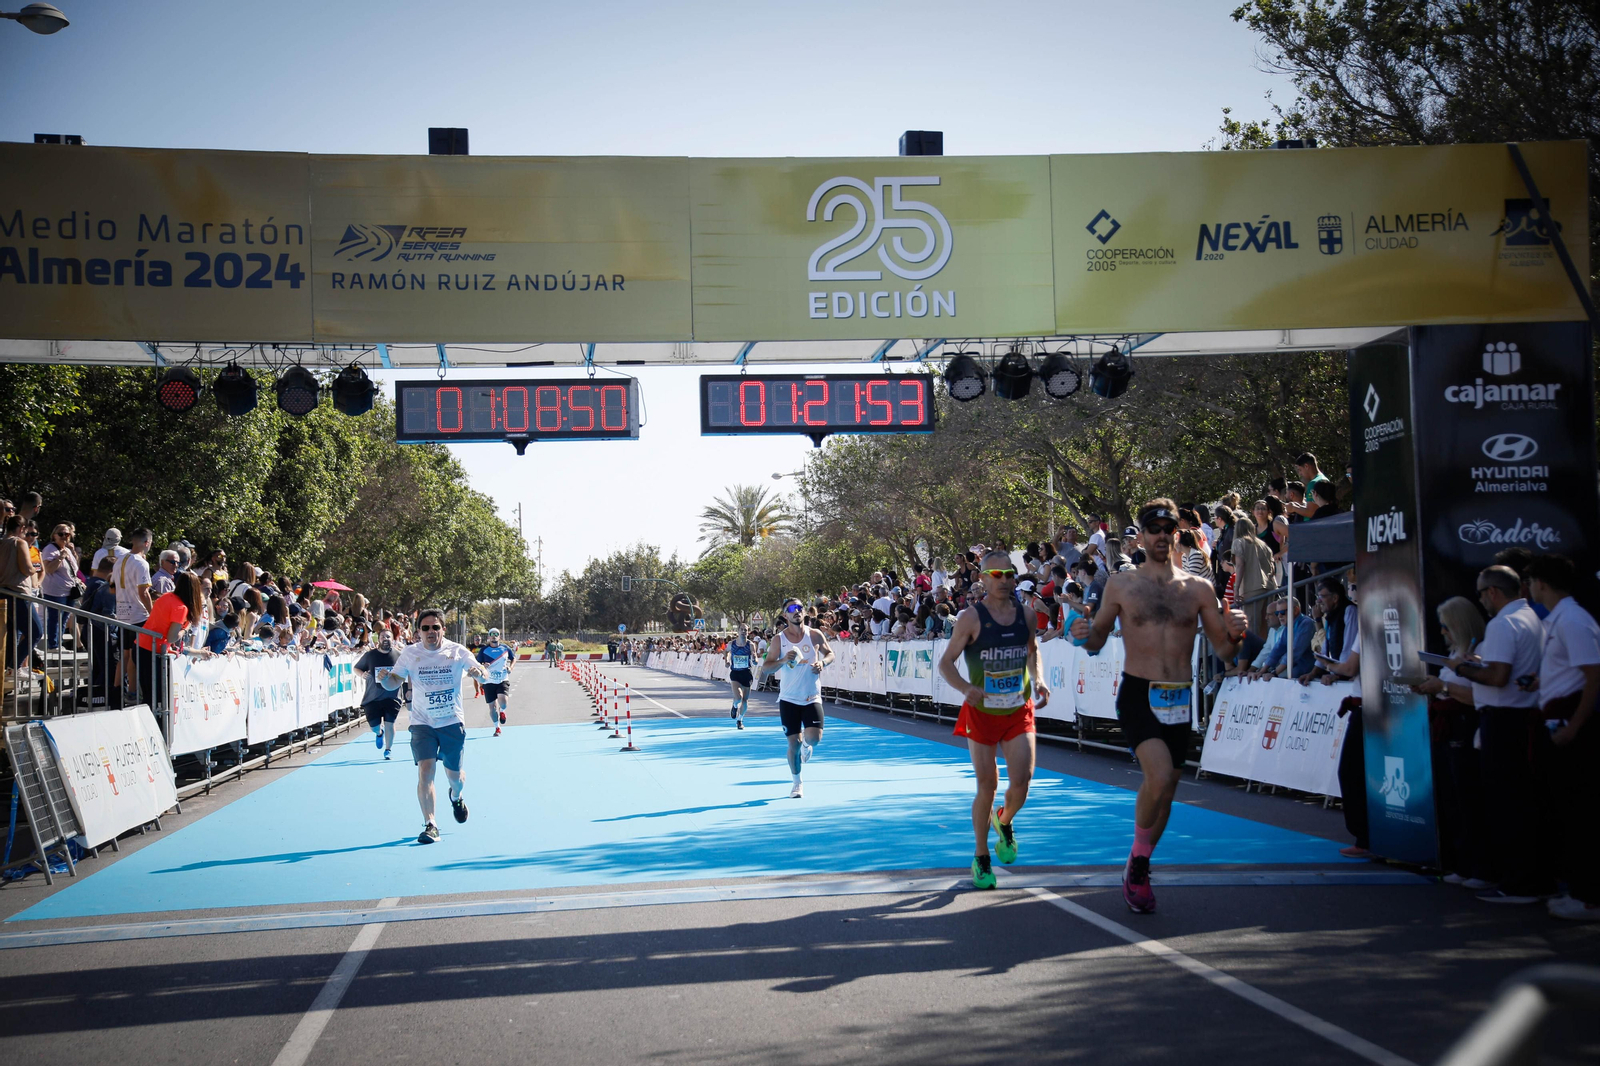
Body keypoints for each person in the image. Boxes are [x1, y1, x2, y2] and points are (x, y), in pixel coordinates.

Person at [1072, 499, 1247, 913]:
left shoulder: (1198, 588)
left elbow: (1223, 651)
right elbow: (1096, 642)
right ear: (1143, 535)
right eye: (1154, 530)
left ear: (1176, 534)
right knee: (1160, 774)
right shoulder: (1122, 585)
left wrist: (1236, 634)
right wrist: (1082, 633)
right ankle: (1137, 860)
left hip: (1179, 697)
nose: (1161, 536)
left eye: (1168, 529)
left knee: (1167, 789)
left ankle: (1141, 863)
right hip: (1138, 693)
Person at [938, 549, 1051, 890]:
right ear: (983, 579)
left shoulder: (1027, 615)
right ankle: (981, 855)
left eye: (1009, 574)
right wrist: (965, 688)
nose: (1004, 581)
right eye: (996, 575)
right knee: (987, 785)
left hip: (1018, 708)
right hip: (983, 713)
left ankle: (1004, 820)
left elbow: (1032, 651)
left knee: (1023, 780)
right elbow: (946, 664)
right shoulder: (971, 618)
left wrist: (1040, 679)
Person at [1450, 565, 1552, 903]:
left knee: (1509, 806)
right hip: (1520, 717)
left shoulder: (1504, 623)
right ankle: (1524, 878)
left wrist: (1461, 669)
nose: (1481, 600)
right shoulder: (1530, 620)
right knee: (1520, 803)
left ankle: (1520, 883)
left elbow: (1497, 677)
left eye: (1481, 593)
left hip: (1505, 721)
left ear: (1492, 592)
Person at [1525, 555, 1600, 921]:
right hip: (1557, 724)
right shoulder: (1560, 620)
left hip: (1574, 730)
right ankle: (1578, 889)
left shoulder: (1573, 619)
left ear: (1542, 583)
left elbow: (1594, 675)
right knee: (1564, 812)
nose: (1530, 587)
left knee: (1579, 814)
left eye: (1532, 581)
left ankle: (1588, 896)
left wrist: (1574, 725)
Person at [375, 608, 487, 844]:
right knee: (425, 771)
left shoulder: (456, 651)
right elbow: (392, 682)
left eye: (435, 627)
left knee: (454, 777)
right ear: (418, 631)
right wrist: (386, 678)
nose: (430, 632)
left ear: (443, 629)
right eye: (425, 628)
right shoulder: (410, 653)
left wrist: (479, 672)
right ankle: (431, 824)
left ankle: (456, 796)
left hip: (451, 722)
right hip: (422, 722)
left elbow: (481, 672)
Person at [755, 598, 834, 799]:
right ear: (785, 615)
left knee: (813, 739)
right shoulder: (779, 640)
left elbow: (830, 654)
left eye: (799, 608)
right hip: (789, 699)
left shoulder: (814, 635)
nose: (797, 611)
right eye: (792, 609)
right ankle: (797, 783)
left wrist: (823, 663)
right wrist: (782, 660)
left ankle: (807, 747)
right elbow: (766, 667)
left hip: (812, 697)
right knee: (793, 744)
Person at [114, 529, 154, 702]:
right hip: (138, 615)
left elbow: (112, 586)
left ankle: (115, 691)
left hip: (122, 613)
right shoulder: (141, 563)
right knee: (134, 656)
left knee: (125, 655)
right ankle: (131, 691)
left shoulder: (119, 559)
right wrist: (152, 613)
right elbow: (143, 592)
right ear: (146, 542)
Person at [355, 627, 403, 759]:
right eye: (383, 637)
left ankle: (388, 749)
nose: (386, 639)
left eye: (388, 637)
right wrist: (362, 674)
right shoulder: (370, 655)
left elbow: (409, 672)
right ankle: (379, 733)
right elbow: (356, 668)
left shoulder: (399, 655)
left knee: (390, 723)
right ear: (378, 640)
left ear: (392, 639)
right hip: (373, 697)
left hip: (392, 696)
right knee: (374, 727)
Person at [475, 626, 515, 737]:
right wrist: (483, 666)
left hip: (502, 679)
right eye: (491, 635)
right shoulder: (484, 650)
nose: (494, 637)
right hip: (488, 682)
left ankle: (502, 710)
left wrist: (510, 668)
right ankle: (497, 728)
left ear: (499, 637)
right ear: (488, 637)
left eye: (496, 635)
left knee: (503, 703)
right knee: (492, 707)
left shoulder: (505, 648)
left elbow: (513, 658)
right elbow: (477, 664)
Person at [725, 623, 756, 729]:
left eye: (746, 630)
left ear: (748, 632)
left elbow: (754, 655)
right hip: (735, 673)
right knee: (738, 698)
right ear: (738, 631)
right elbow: (726, 652)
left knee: (745, 700)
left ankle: (740, 720)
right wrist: (727, 660)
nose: (744, 632)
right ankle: (734, 706)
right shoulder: (732, 643)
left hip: (746, 673)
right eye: (742, 630)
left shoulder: (751, 644)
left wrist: (755, 660)